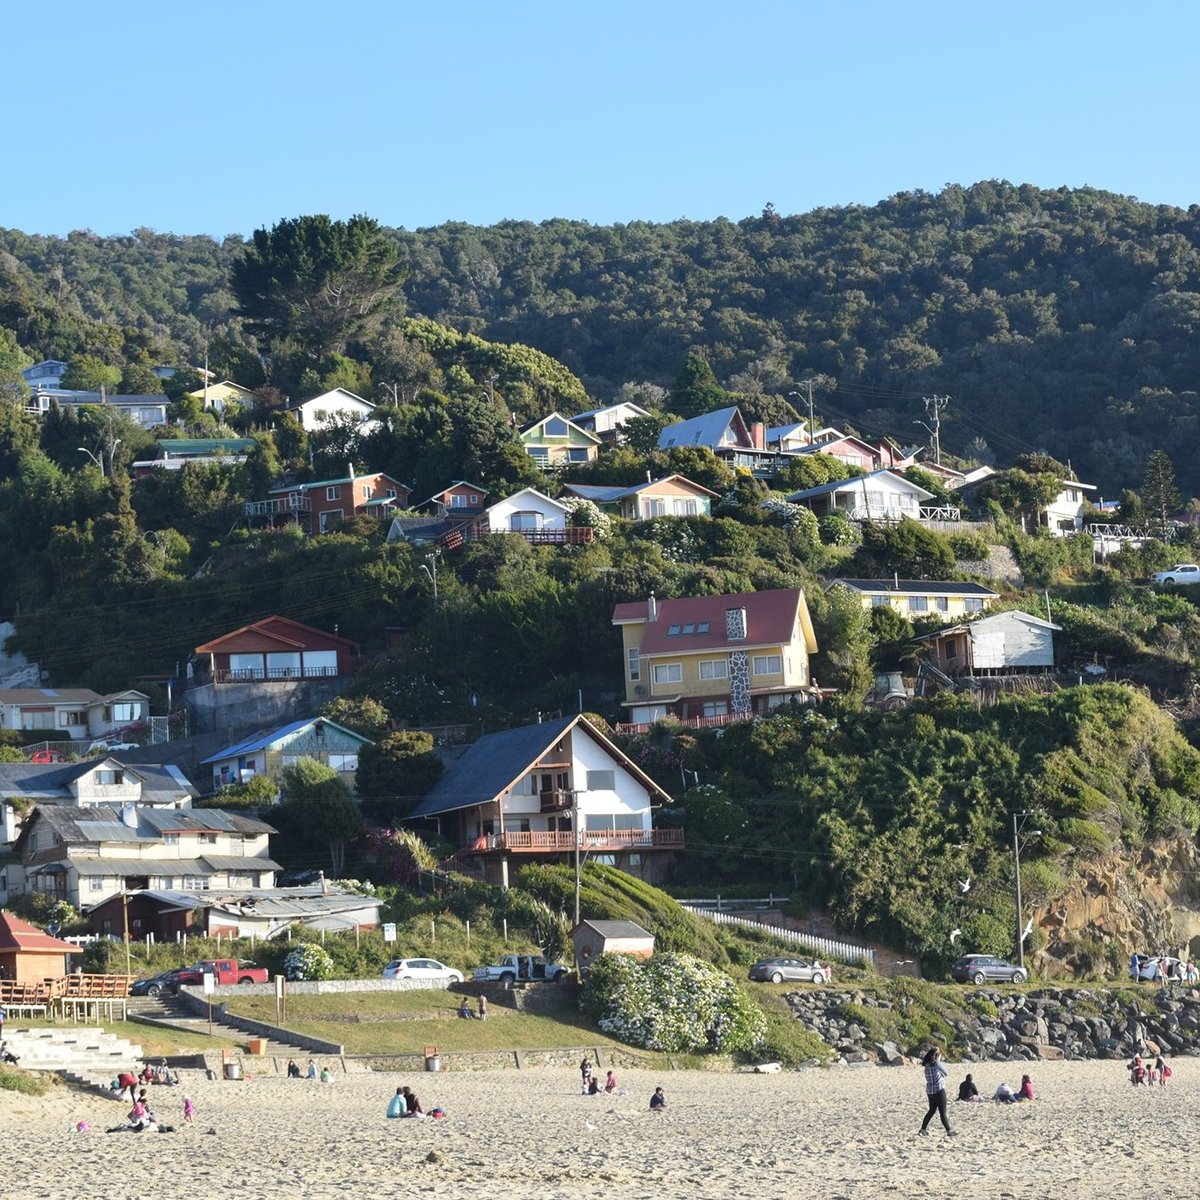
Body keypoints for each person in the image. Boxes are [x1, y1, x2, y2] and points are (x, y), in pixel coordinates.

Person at [919, 1047, 955, 1137]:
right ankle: (949, 1130)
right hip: (939, 1089)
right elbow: (946, 1073)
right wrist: (940, 1067)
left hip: (930, 1091)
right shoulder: (937, 1064)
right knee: (943, 1112)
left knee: (931, 1110)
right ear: (937, 1056)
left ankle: (923, 1129)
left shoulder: (926, 1065)